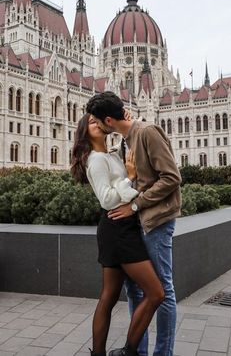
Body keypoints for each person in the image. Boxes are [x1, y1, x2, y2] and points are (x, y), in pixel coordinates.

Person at [86, 92, 182, 356]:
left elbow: (172, 177)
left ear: (107, 120)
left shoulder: (143, 133)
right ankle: (134, 352)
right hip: (125, 225)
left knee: (160, 291)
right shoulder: (111, 150)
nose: (93, 123)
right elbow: (113, 190)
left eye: (96, 120)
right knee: (134, 292)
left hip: (153, 220)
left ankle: (160, 352)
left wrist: (136, 205)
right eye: (91, 123)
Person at [71, 113, 165, 356]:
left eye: (100, 119)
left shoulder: (111, 153)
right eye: (92, 122)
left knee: (109, 297)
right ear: (84, 131)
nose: (99, 122)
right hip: (117, 227)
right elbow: (107, 199)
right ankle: (128, 351)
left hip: (120, 225)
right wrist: (130, 177)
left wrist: (129, 120)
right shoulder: (96, 160)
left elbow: (128, 138)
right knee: (156, 293)